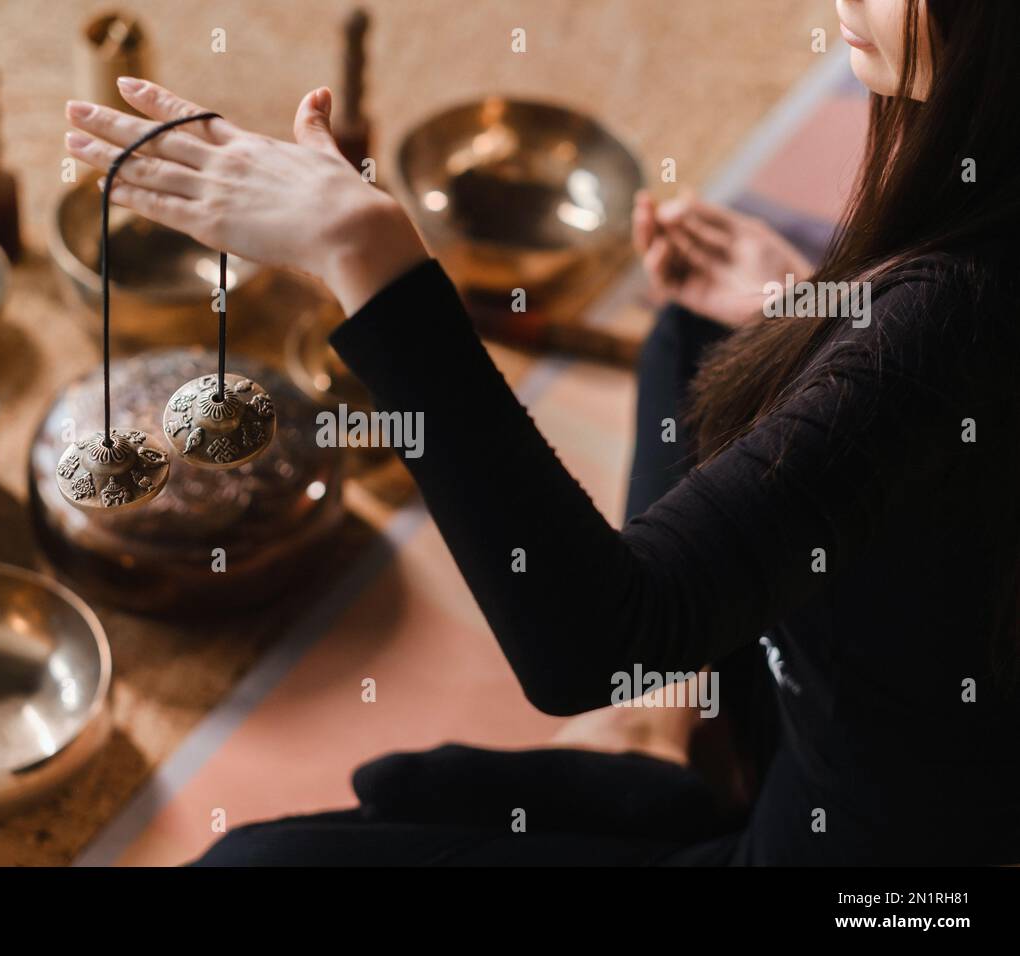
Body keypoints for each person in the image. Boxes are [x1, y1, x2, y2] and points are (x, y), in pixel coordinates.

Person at [64, 0, 1020, 864]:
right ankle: (666, 729)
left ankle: (654, 727)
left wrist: (368, 260)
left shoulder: (951, 320)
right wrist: (815, 312)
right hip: (888, 678)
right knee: (700, 335)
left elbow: (592, 646)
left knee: (253, 868)